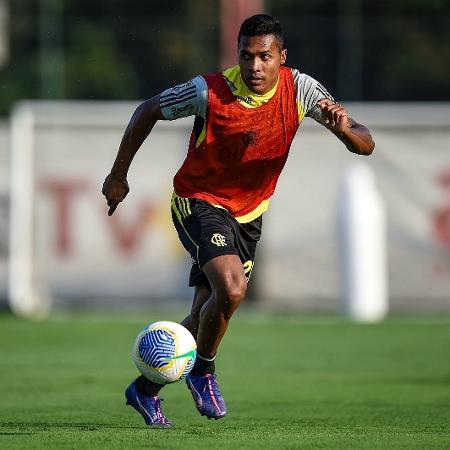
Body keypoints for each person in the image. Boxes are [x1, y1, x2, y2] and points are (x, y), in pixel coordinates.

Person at [102, 14, 375, 428]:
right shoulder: (208, 91)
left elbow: (364, 142)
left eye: (264, 57)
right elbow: (147, 111)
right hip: (198, 201)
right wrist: (118, 175)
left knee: (205, 315)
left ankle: (144, 390)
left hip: (248, 215)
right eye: (246, 56)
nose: (254, 67)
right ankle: (204, 372)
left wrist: (343, 131)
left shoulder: (301, 89)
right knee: (232, 288)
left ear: (282, 57)